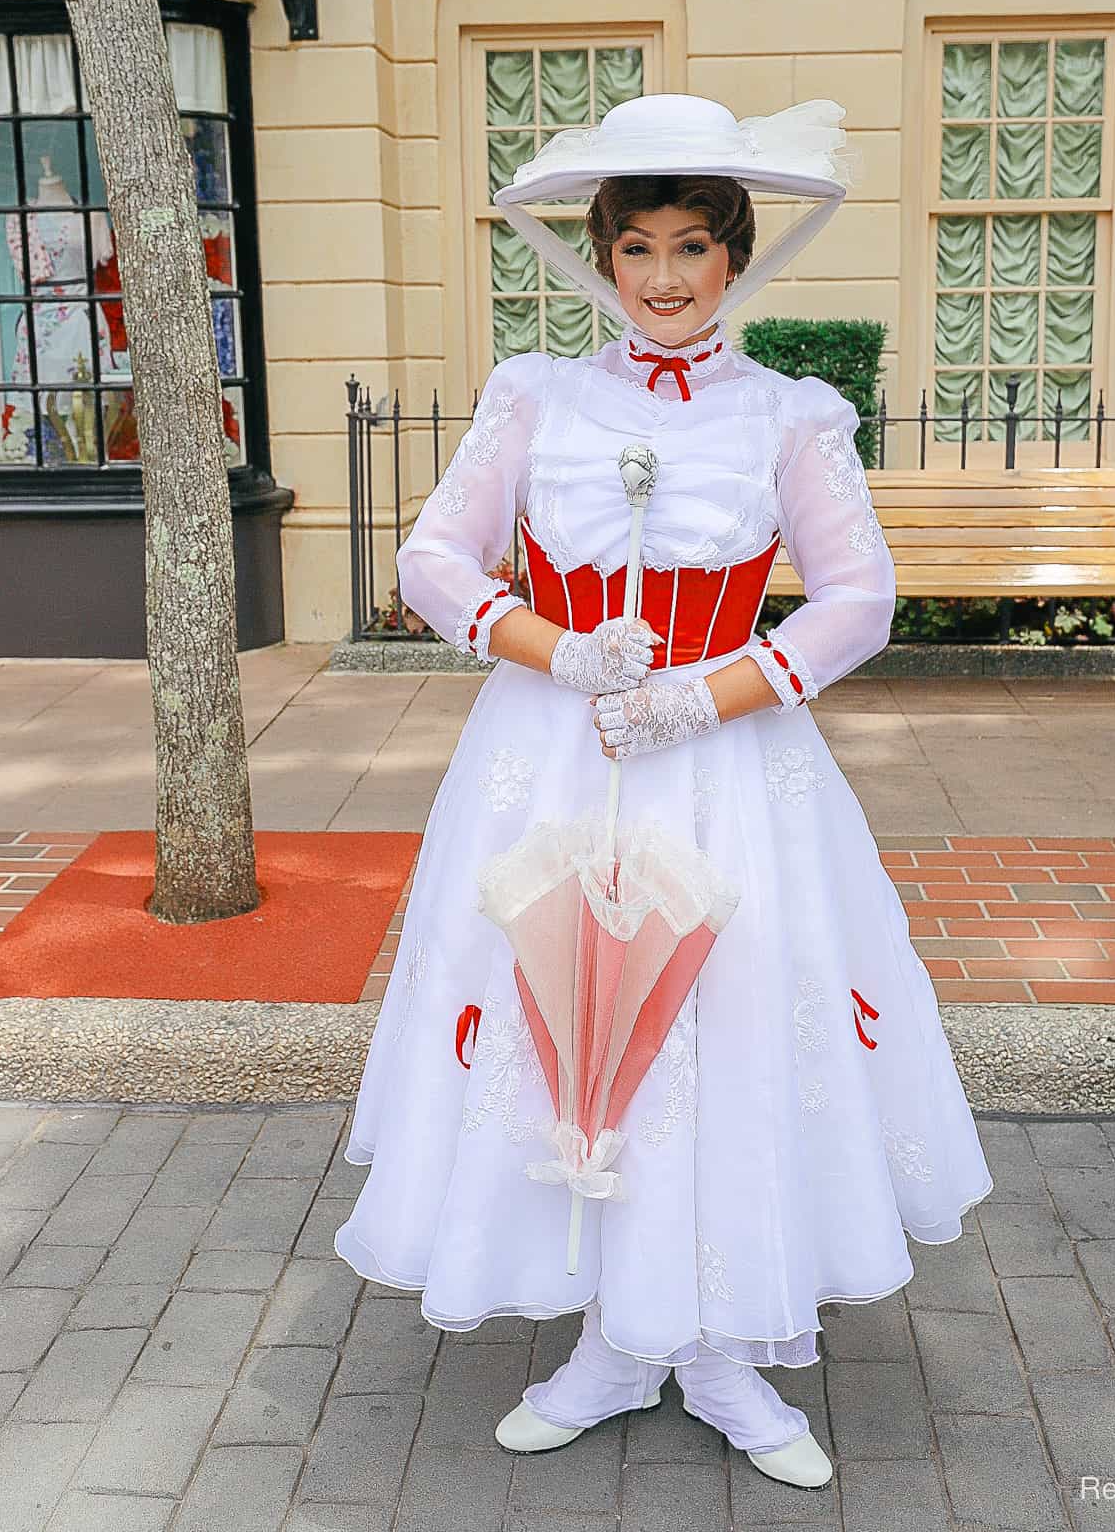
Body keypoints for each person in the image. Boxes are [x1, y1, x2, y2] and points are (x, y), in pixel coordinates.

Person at [333, 93, 993, 1490]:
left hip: (731, 766)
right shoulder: (536, 395)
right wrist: (561, 649)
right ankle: (612, 1343)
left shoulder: (789, 416)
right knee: (570, 1020)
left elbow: (860, 601)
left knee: (720, 1031)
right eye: (640, 248)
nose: (668, 278)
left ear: (735, 256)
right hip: (556, 758)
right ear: (604, 258)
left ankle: (716, 1352)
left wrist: (702, 694)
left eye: (695, 245)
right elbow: (435, 562)